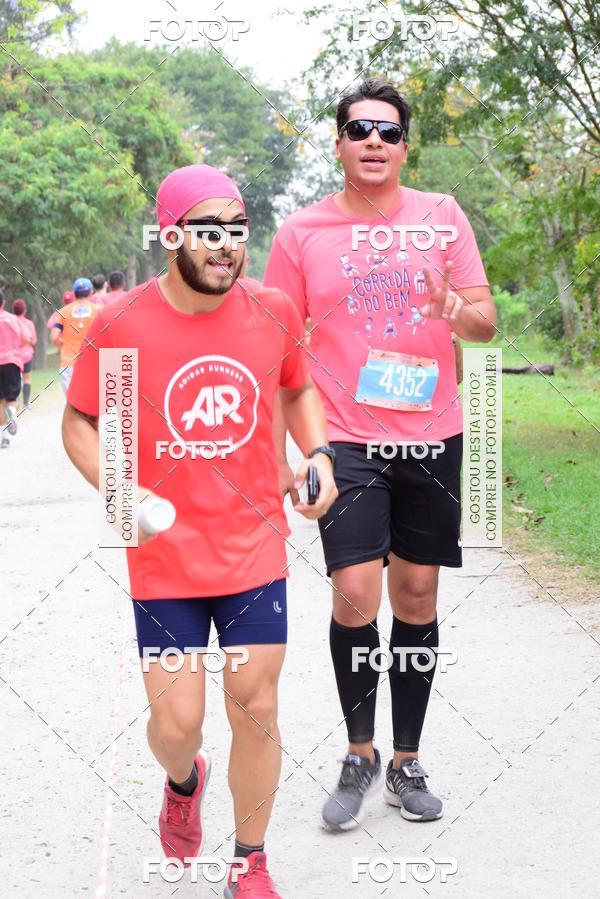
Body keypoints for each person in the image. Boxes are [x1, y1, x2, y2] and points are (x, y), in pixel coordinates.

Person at [62, 164, 338, 898]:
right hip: (164, 556)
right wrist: (121, 489)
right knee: (178, 726)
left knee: (257, 703)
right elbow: (80, 422)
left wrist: (317, 455)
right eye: (208, 230)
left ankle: (250, 862)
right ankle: (185, 781)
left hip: (253, 545)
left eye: (237, 230)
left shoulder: (272, 308)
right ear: (171, 236)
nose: (227, 245)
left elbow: (298, 388)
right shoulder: (122, 322)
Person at [265, 78, 496, 829]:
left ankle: (406, 759)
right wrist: (292, 454)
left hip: (431, 433)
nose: (374, 141)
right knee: (356, 591)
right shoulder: (302, 232)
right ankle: (359, 752)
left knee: (418, 594)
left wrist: (452, 307)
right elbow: (277, 349)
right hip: (344, 437)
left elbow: (486, 324)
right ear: (338, 144)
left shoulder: (442, 216)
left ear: (404, 146)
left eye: (389, 131)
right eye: (360, 129)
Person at [49, 278, 100, 394]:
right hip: (91, 363)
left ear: (74, 293)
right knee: (89, 400)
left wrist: (63, 345)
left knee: (71, 401)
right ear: (91, 292)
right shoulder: (98, 311)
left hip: (68, 363)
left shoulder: (64, 311)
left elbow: (53, 337)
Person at [0, 291, 28, 448]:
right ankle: (11, 416)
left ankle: (4, 438)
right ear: (3, 302)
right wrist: (14, 347)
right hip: (11, 361)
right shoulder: (14, 319)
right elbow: (26, 339)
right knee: (11, 400)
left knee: (0, 402)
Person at [12, 299, 37, 410]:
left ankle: (14, 402)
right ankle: (26, 405)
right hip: (27, 355)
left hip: (14, 356)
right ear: (24, 310)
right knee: (27, 379)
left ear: (13, 310)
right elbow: (34, 341)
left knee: (15, 379)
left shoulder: (10, 321)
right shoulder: (29, 324)